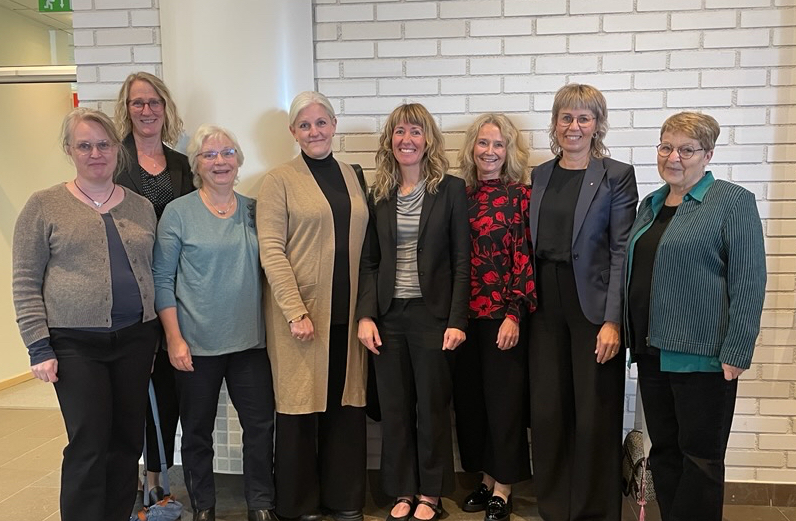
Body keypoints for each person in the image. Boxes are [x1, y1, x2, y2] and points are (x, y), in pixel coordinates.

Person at [11, 107, 159, 521]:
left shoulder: (141, 206)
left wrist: (155, 338)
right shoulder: (44, 205)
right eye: (85, 145)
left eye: (104, 144)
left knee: (128, 441)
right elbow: (24, 279)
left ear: (117, 150)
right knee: (89, 441)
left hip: (135, 338)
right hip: (75, 344)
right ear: (69, 150)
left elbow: (151, 271)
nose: (96, 153)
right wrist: (38, 346)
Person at [625, 112, 766, 521]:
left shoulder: (732, 202)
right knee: (665, 452)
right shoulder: (650, 204)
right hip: (652, 351)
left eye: (686, 149)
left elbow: (750, 280)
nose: (674, 157)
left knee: (701, 459)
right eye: (666, 146)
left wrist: (738, 349)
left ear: (708, 154)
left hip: (704, 355)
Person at [527, 84, 638, 521]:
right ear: (555, 123)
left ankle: (593, 510)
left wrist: (613, 321)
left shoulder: (616, 174)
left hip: (593, 305)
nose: (574, 127)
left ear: (597, 124)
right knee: (549, 408)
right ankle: (554, 505)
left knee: (594, 409)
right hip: (543, 303)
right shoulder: (539, 175)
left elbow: (621, 249)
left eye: (584, 118)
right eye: (566, 118)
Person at [257, 91, 370, 521]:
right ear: (293, 132)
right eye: (304, 125)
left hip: (348, 314)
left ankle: (344, 499)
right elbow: (271, 249)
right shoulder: (278, 180)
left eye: (321, 122)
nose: (314, 131)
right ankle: (299, 504)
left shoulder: (351, 175)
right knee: (300, 409)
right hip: (302, 317)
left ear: (334, 125)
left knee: (345, 407)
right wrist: (294, 310)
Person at [153, 125, 275, 521]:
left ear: (239, 161)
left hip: (251, 344)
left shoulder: (257, 210)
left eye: (227, 153)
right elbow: (161, 280)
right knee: (197, 432)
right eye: (209, 155)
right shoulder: (178, 213)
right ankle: (204, 506)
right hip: (196, 345)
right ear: (196, 165)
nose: (220, 161)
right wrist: (174, 339)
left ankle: (260, 503)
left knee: (259, 428)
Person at [357, 103, 470, 521]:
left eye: (415, 132)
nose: (407, 139)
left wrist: (457, 320)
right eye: (399, 132)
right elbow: (369, 261)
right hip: (389, 316)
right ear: (390, 141)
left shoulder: (451, 190)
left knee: (432, 406)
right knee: (394, 407)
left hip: (433, 315)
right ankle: (402, 488)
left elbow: (462, 260)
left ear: (428, 140)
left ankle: (431, 493)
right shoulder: (380, 193)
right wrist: (365, 315)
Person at [114, 70, 193, 510]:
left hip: (175, 292)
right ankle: (129, 480)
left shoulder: (181, 165)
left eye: (154, 102)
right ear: (126, 111)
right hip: (131, 291)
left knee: (166, 390)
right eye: (137, 103)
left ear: (166, 108)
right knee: (130, 389)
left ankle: (156, 477)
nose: (146, 110)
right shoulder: (115, 161)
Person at [453, 113, 535, 521]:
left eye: (498, 144)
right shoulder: (458, 195)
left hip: (502, 317)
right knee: (473, 404)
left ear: (509, 151)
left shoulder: (521, 196)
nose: (490, 151)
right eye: (483, 143)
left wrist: (514, 314)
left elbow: (524, 257)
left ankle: (504, 485)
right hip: (461, 320)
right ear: (472, 148)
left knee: (504, 404)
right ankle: (485, 480)